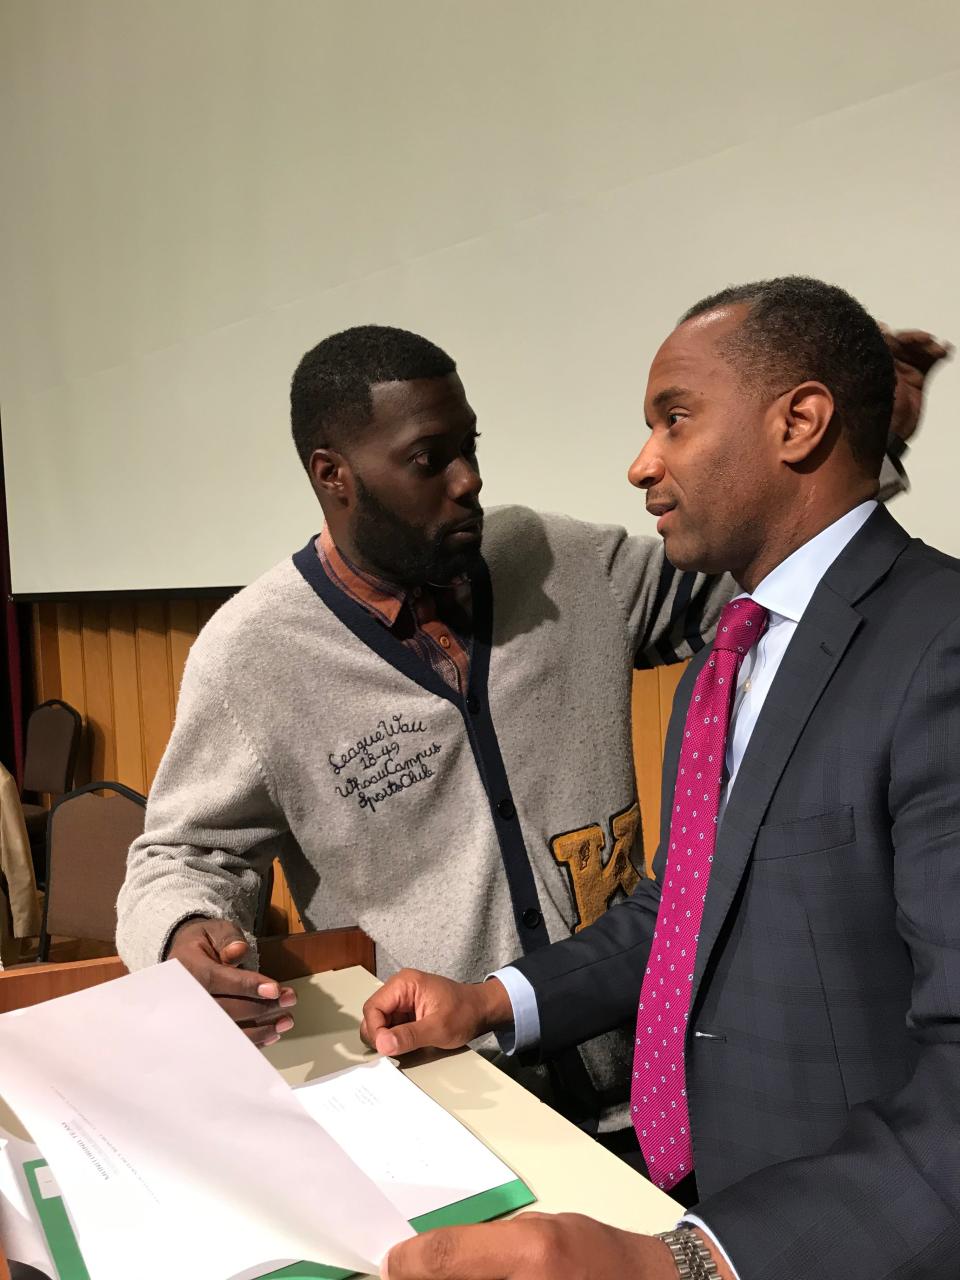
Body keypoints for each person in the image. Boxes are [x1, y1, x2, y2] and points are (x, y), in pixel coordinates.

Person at [116, 320, 936, 1128]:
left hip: (649, 1077)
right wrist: (184, 932)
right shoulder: (252, 654)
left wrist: (857, 447)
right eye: (429, 460)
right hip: (452, 1098)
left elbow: (764, 570)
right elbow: (184, 852)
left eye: (470, 447)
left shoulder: (555, 558)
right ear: (334, 474)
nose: (468, 479)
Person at [360, 278, 959, 1280]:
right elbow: (680, 908)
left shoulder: (939, 649)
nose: (642, 464)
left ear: (799, 422)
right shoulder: (721, 663)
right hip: (690, 1194)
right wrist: (491, 1000)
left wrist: (689, 1259)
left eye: (673, 420)